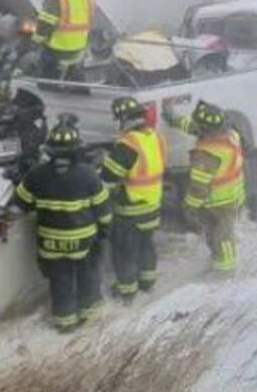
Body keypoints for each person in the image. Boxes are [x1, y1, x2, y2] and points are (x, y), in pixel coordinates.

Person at [14, 117, 111, 332]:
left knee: (60, 280)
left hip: (51, 242)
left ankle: (65, 322)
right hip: (83, 241)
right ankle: (89, 314)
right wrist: (104, 231)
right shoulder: (89, 175)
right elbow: (104, 209)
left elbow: (21, 203)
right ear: (77, 150)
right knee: (87, 275)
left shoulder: (36, 174)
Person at [166, 100, 245, 273]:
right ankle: (219, 260)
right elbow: (195, 128)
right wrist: (175, 119)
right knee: (221, 232)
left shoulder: (205, 154)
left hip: (218, 201)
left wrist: (190, 206)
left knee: (222, 236)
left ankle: (225, 269)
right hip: (233, 194)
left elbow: (198, 188)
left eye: (200, 127)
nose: (197, 129)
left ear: (206, 130)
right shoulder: (231, 135)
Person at [102, 97, 167, 299]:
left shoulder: (128, 144)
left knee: (124, 252)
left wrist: (102, 164)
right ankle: (147, 283)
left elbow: (109, 177)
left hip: (130, 209)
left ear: (123, 118)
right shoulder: (156, 137)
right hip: (153, 204)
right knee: (146, 246)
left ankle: (127, 292)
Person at [33, 0, 95, 80]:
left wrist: (35, 41)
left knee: (41, 68)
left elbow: (44, 24)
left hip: (57, 50)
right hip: (79, 50)